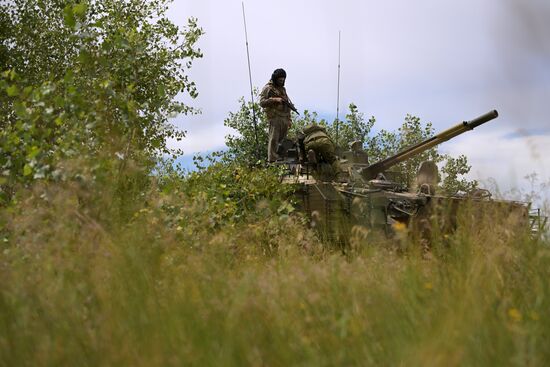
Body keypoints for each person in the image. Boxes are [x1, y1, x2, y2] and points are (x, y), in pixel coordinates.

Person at [260, 68, 296, 162]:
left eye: (283, 79)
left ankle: (281, 159)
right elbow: (262, 102)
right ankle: (272, 161)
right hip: (275, 117)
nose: (282, 81)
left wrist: (289, 119)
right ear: (275, 78)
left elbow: (287, 106)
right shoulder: (268, 88)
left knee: (283, 142)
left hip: (284, 118)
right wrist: (274, 100)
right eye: (280, 79)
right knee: (274, 140)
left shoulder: (283, 89)